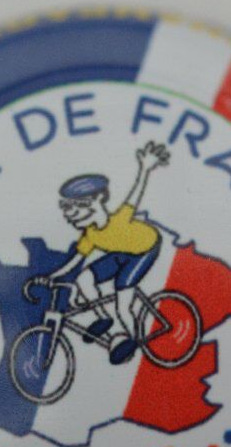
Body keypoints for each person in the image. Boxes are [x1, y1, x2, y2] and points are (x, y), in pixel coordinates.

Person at [43, 140, 170, 364]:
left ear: (98, 200)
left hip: (144, 249)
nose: (71, 216)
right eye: (68, 210)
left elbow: (136, 193)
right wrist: (51, 277)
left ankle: (132, 341)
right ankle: (104, 318)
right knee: (83, 279)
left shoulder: (119, 219)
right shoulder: (90, 234)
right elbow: (75, 262)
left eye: (76, 208)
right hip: (122, 252)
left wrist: (145, 168)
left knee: (123, 303)